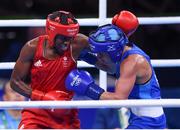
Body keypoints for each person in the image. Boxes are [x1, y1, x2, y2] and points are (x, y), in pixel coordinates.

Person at [65, 12, 167, 128]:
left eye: (101, 54)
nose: (98, 57)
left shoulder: (132, 62)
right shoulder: (124, 51)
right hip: (139, 119)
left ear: (113, 53)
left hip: (149, 124)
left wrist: (89, 88)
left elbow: (118, 101)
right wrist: (85, 56)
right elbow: (112, 68)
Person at [10, 10, 91, 129]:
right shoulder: (32, 48)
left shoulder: (78, 44)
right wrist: (42, 97)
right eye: (63, 38)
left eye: (70, 38)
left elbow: (107, 62)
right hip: (36, 113)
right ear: (52, 33)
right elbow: (15, 82)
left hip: (65, 114)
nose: (67, 43)